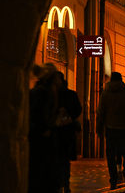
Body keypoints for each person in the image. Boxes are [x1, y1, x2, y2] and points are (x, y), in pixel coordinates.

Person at [97, 71, 125, 190]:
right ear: (121, 80)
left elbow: (101, 112)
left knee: (111, 155)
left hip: (110, 128)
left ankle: (113, 179)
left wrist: (99, 129)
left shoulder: (105, 93)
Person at [29, 62, 62, 193]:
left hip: (39, 137)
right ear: (51, 77)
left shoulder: (41, 90)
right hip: (42, 139)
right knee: (44, 172)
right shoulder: (43, 92)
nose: (58, 79)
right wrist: (46, 130)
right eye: (56, 76)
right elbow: (38, 112)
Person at [55, 72, 82, 193]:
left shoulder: (54, 94)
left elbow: (77, 109)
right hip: (66, 130)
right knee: (63, 159)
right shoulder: (70, 94)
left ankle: (63, 184)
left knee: (61, 159)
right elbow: (77, 110)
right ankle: (63, 184)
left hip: (60, 131)